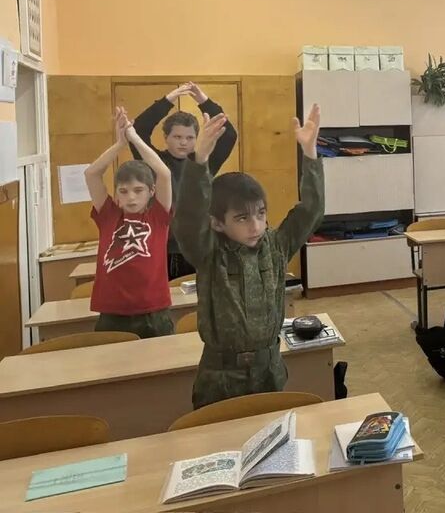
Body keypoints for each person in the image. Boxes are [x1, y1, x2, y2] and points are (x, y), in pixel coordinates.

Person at [172, 106, 324, 409]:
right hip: (220, 376)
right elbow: (189, 219)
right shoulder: (209, 252)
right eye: (242, 218)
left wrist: (310, 154)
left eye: (261, 214)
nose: (255, 225)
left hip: (269, 368)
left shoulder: (276, 245)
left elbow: (311, 211)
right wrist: (199, 161)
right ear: (218, 223)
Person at [84, 107, 174, 338]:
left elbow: (164, 174)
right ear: (116, 195)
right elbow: (92, 174)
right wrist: (120, 144)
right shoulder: (109, 216)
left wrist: (134, 138)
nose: (131, 197)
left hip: (154, 311)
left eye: (138, 190)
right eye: (123, 191)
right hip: (113, 313)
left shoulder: (158, 216)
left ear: (151, 191)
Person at [132, 81, 238, 279]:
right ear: (166, 137)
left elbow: (229, 135)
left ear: (197, 139)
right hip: (167, 250)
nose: (183, 142)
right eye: (177, 137)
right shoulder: (155, 163)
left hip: (201, 247)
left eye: (189, 138)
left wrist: (203, 101)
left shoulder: (203, 162)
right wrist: (168, 100)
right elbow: (138, 130)